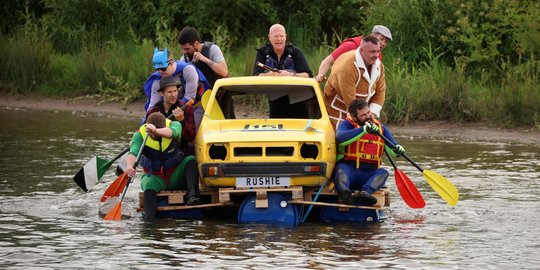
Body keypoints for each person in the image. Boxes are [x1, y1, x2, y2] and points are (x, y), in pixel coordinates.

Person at [126, 112, 202, 220]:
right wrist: (129, 166)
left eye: (155, 133)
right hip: (156, 178)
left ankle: (192, 196)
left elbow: (173, 133)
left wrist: (155, 131)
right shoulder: (139, 135)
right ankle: (149, 218)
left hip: (175, 175)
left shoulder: (175, 125)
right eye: (151, 133)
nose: (153, 136)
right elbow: (133, 153)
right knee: (147, 182)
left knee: (191, 160)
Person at [334, 100, 405, 205]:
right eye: (363, 115)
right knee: (340, 168)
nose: (368, 116)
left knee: (383, 173)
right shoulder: (347, 124)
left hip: (369, 174)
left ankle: (365, 193)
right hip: (350, 171)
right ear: (354, 117)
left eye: (368, 112)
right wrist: (363, 130)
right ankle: (344, 192)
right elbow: (340, 138)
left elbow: (392, 149)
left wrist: (398, 149)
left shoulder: (381, 129)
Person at [323, 35, 386, 129]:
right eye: (372, 52)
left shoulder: (379, 66)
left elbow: (380, 92)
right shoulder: (346, 67)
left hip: (362, 112)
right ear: (361, 51)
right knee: (340, 137)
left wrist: (371, 114)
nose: (376, 55)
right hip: (336, 109)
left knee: (377, 132)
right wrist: (364, 118)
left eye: (378, 51)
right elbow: (351, 101)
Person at [253, 23, 314, 118]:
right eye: (275, 36)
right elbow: (255, 75)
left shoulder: (295, 52)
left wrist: (291, 75)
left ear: (285, 37)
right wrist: (269, 75)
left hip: (297, 99)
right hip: (275, 100)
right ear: (269, 37)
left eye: (281, 36)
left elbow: (308, 75)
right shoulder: (262, 53)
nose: (279, 39)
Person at [143, 47, 211, 130]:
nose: (160, 72)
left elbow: (190, 98)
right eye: (157, 69)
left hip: (195, 106)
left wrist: (171, 115)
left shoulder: (188, 70)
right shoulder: (157, 79)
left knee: (192, 136)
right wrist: (146, 122)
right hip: (171, 109)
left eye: (163, 68)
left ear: (171, 63)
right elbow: (153, 105)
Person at [178, 26, 234, 118]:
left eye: (187, 49)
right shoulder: (184, 59)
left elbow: (224, 72)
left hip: (220, 96)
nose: (184, 52)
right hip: (200, 100)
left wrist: (204, 59)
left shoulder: (212, 49)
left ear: (196, 43)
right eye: (183, 49)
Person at [316, 25, 392, 82]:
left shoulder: (377, 55)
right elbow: (328, 61)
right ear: (373, 35)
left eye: (386, 42)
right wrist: (320, 75)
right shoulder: (351, 45)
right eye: (381, 39)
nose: (383, 43)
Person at [146, 75, 196, 156]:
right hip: (158, 154)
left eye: (175, 91)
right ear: (161, 93)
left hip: (180, 153)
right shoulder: (153, 112)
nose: (174, 95)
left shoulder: (186, 109)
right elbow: (145, 135)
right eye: (169, 92)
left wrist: (182, 121)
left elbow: (191, 138)